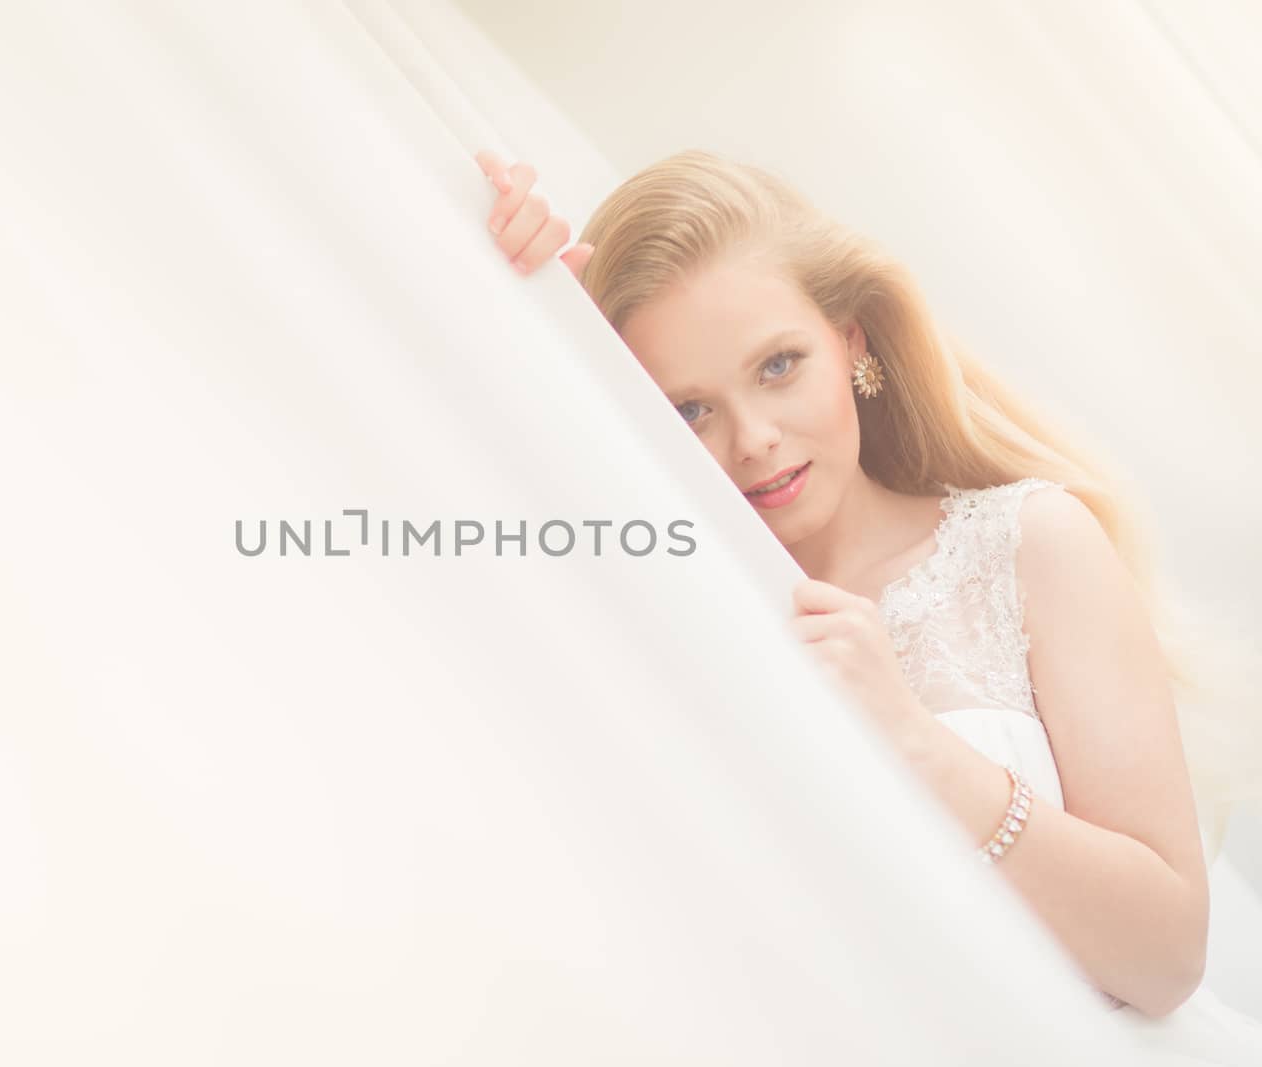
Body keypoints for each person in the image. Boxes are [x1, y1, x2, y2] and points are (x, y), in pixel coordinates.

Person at [474, 147, 1262, 1059]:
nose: (756, 440)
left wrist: (914, 738)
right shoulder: (665, 612)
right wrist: (521, 326)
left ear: (851, 340)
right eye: (690, 409)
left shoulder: (1028, 544)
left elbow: (1167, 957)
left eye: (777, 365)